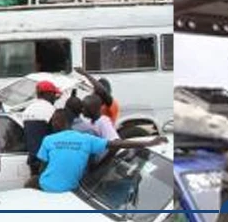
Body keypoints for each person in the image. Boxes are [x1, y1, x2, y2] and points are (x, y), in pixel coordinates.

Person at [35, 109, 166, 193]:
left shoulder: (48, 139)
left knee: (30, 182)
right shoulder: (86, 139)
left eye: (53, 120)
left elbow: (42, 168)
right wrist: (148, 142)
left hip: (47, 187)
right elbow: (117, 143)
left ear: (58, 122)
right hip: (73, 190)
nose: (51, 123)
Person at [22, 80, 61, 177]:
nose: (55, 97)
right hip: (46, 160)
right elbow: (57, 134)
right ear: (47, 94)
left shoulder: (27, 110)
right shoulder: (51, 110)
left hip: (32, 159)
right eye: (53, 94)